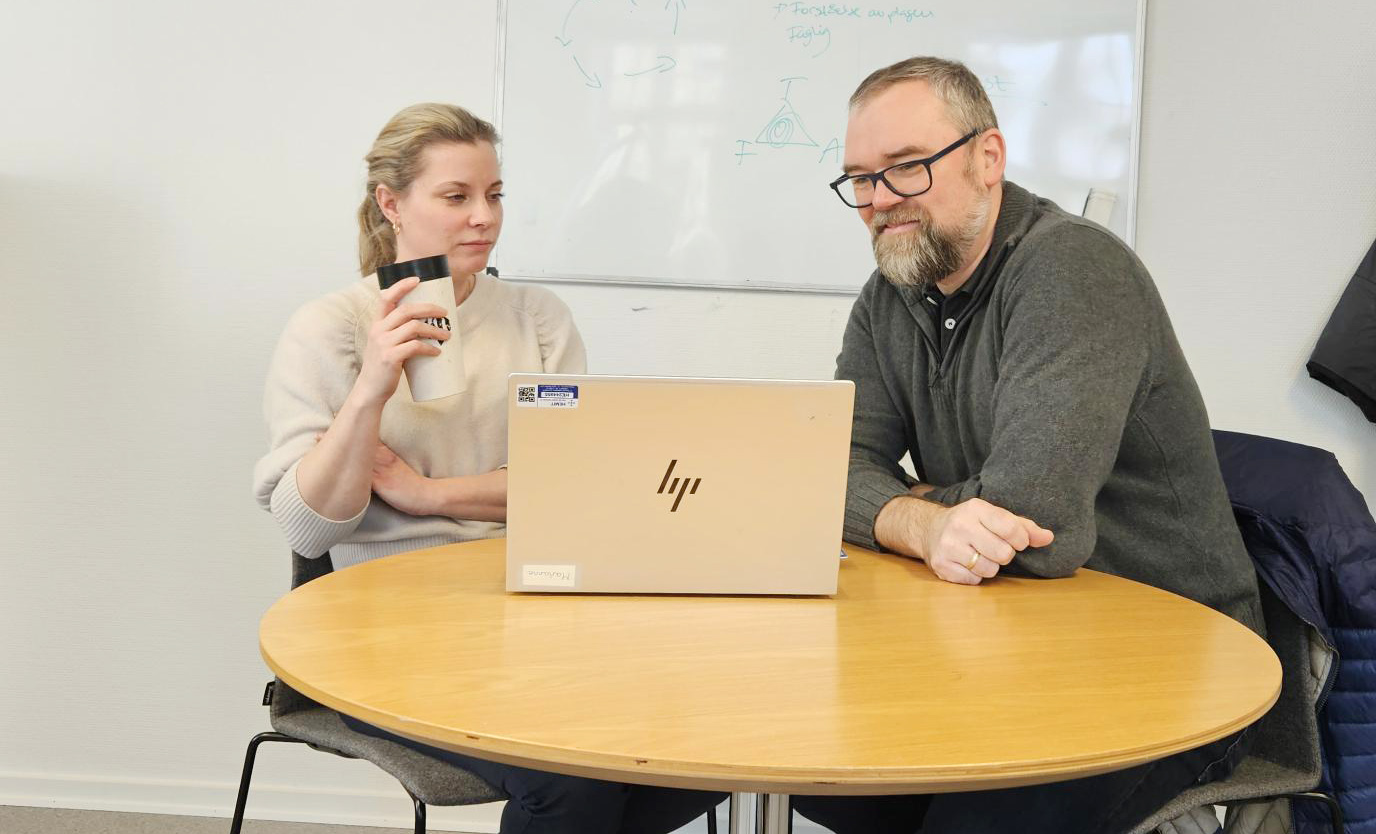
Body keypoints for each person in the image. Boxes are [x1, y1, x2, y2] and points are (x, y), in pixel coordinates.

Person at [792, 58, 1266, 834]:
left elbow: (1033, 524)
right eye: (861, 179)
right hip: (1004, 641)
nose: (879, 200)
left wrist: (911, 499)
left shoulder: (1073, 268)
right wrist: (925, 521)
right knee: (830, 773)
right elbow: (826, 470)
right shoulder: (889, 297)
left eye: (907, 167)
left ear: (988, 159)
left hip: (1165, 662)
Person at [252, 103, 722, 834]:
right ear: (390, 203)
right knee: (572, 778)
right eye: (456, 196)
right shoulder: (332, 328)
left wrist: (425, 493)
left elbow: (572, 491)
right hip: (382, 629)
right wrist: (372, 387)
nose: (485, 217)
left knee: (709, 734)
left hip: (534, 610)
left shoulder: (538, 317)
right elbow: (308, 526)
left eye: (494, 195)